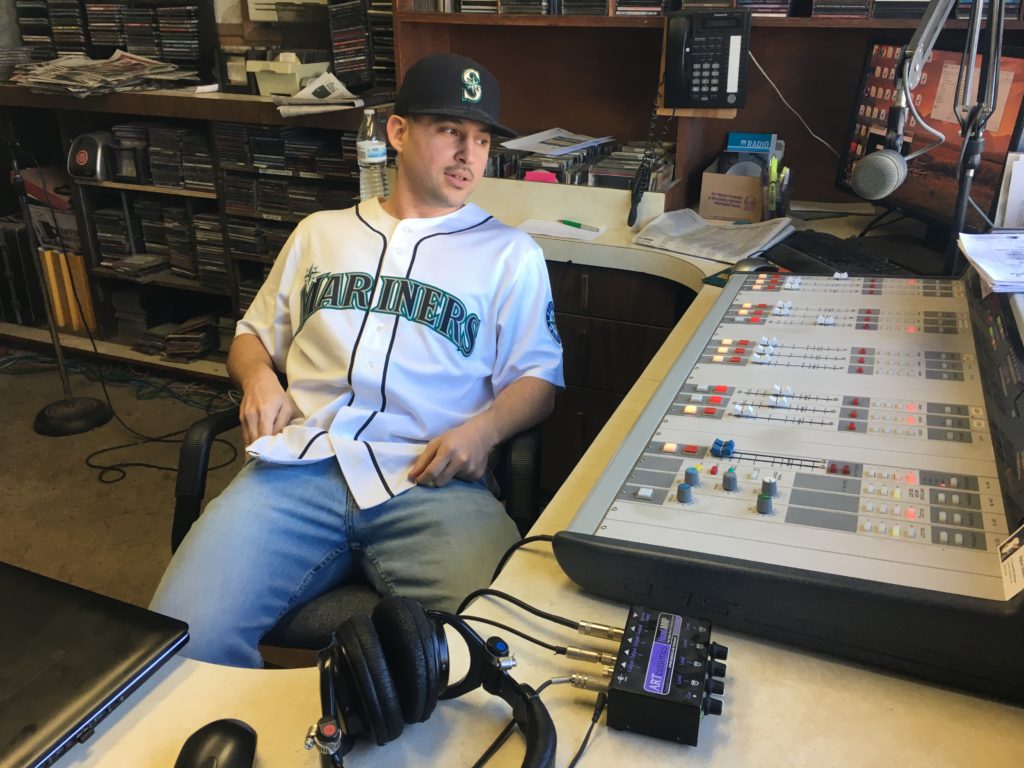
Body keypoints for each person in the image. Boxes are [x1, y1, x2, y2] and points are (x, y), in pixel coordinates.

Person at [150, 53, 565, 667]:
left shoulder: (510, 253)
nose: (468, 155)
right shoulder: (320, 231)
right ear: (398, 133)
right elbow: (251, 334)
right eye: (450, 131)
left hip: (432, 481)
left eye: (481, 139)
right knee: (175, 643)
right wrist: (258, 377)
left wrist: (486, 430)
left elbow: (540, 379)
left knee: (514, 657)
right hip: (297, 472)